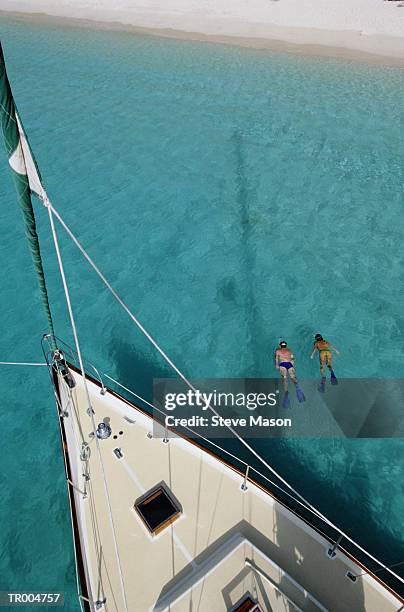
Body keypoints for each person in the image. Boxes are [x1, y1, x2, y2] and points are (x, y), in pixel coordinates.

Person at [275, 340, 305, 406]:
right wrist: (293, 366)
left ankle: (286, 392)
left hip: (282, 364)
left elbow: (276, 358)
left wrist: (277, 365)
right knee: (293, 377)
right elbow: (292, 359)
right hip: (289, 364)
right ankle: (297, 387)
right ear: (286, 345)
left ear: (280, 346)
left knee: (285, 378)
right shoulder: (289, 350)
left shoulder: (277, 351)